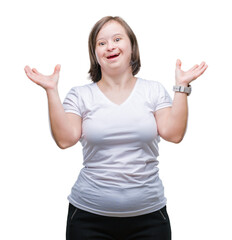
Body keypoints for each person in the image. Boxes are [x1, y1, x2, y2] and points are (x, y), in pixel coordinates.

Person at [24, 16, 208, 240]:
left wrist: (182, 87)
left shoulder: (153, 91)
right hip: (88, 218)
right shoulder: (81, 95)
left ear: (131, 46)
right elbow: (65, 139)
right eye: (101, 43)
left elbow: (174, 133)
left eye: (117, 39)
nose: (110, 46)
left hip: (149, 218)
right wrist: (51, 91)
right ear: (95, 54)